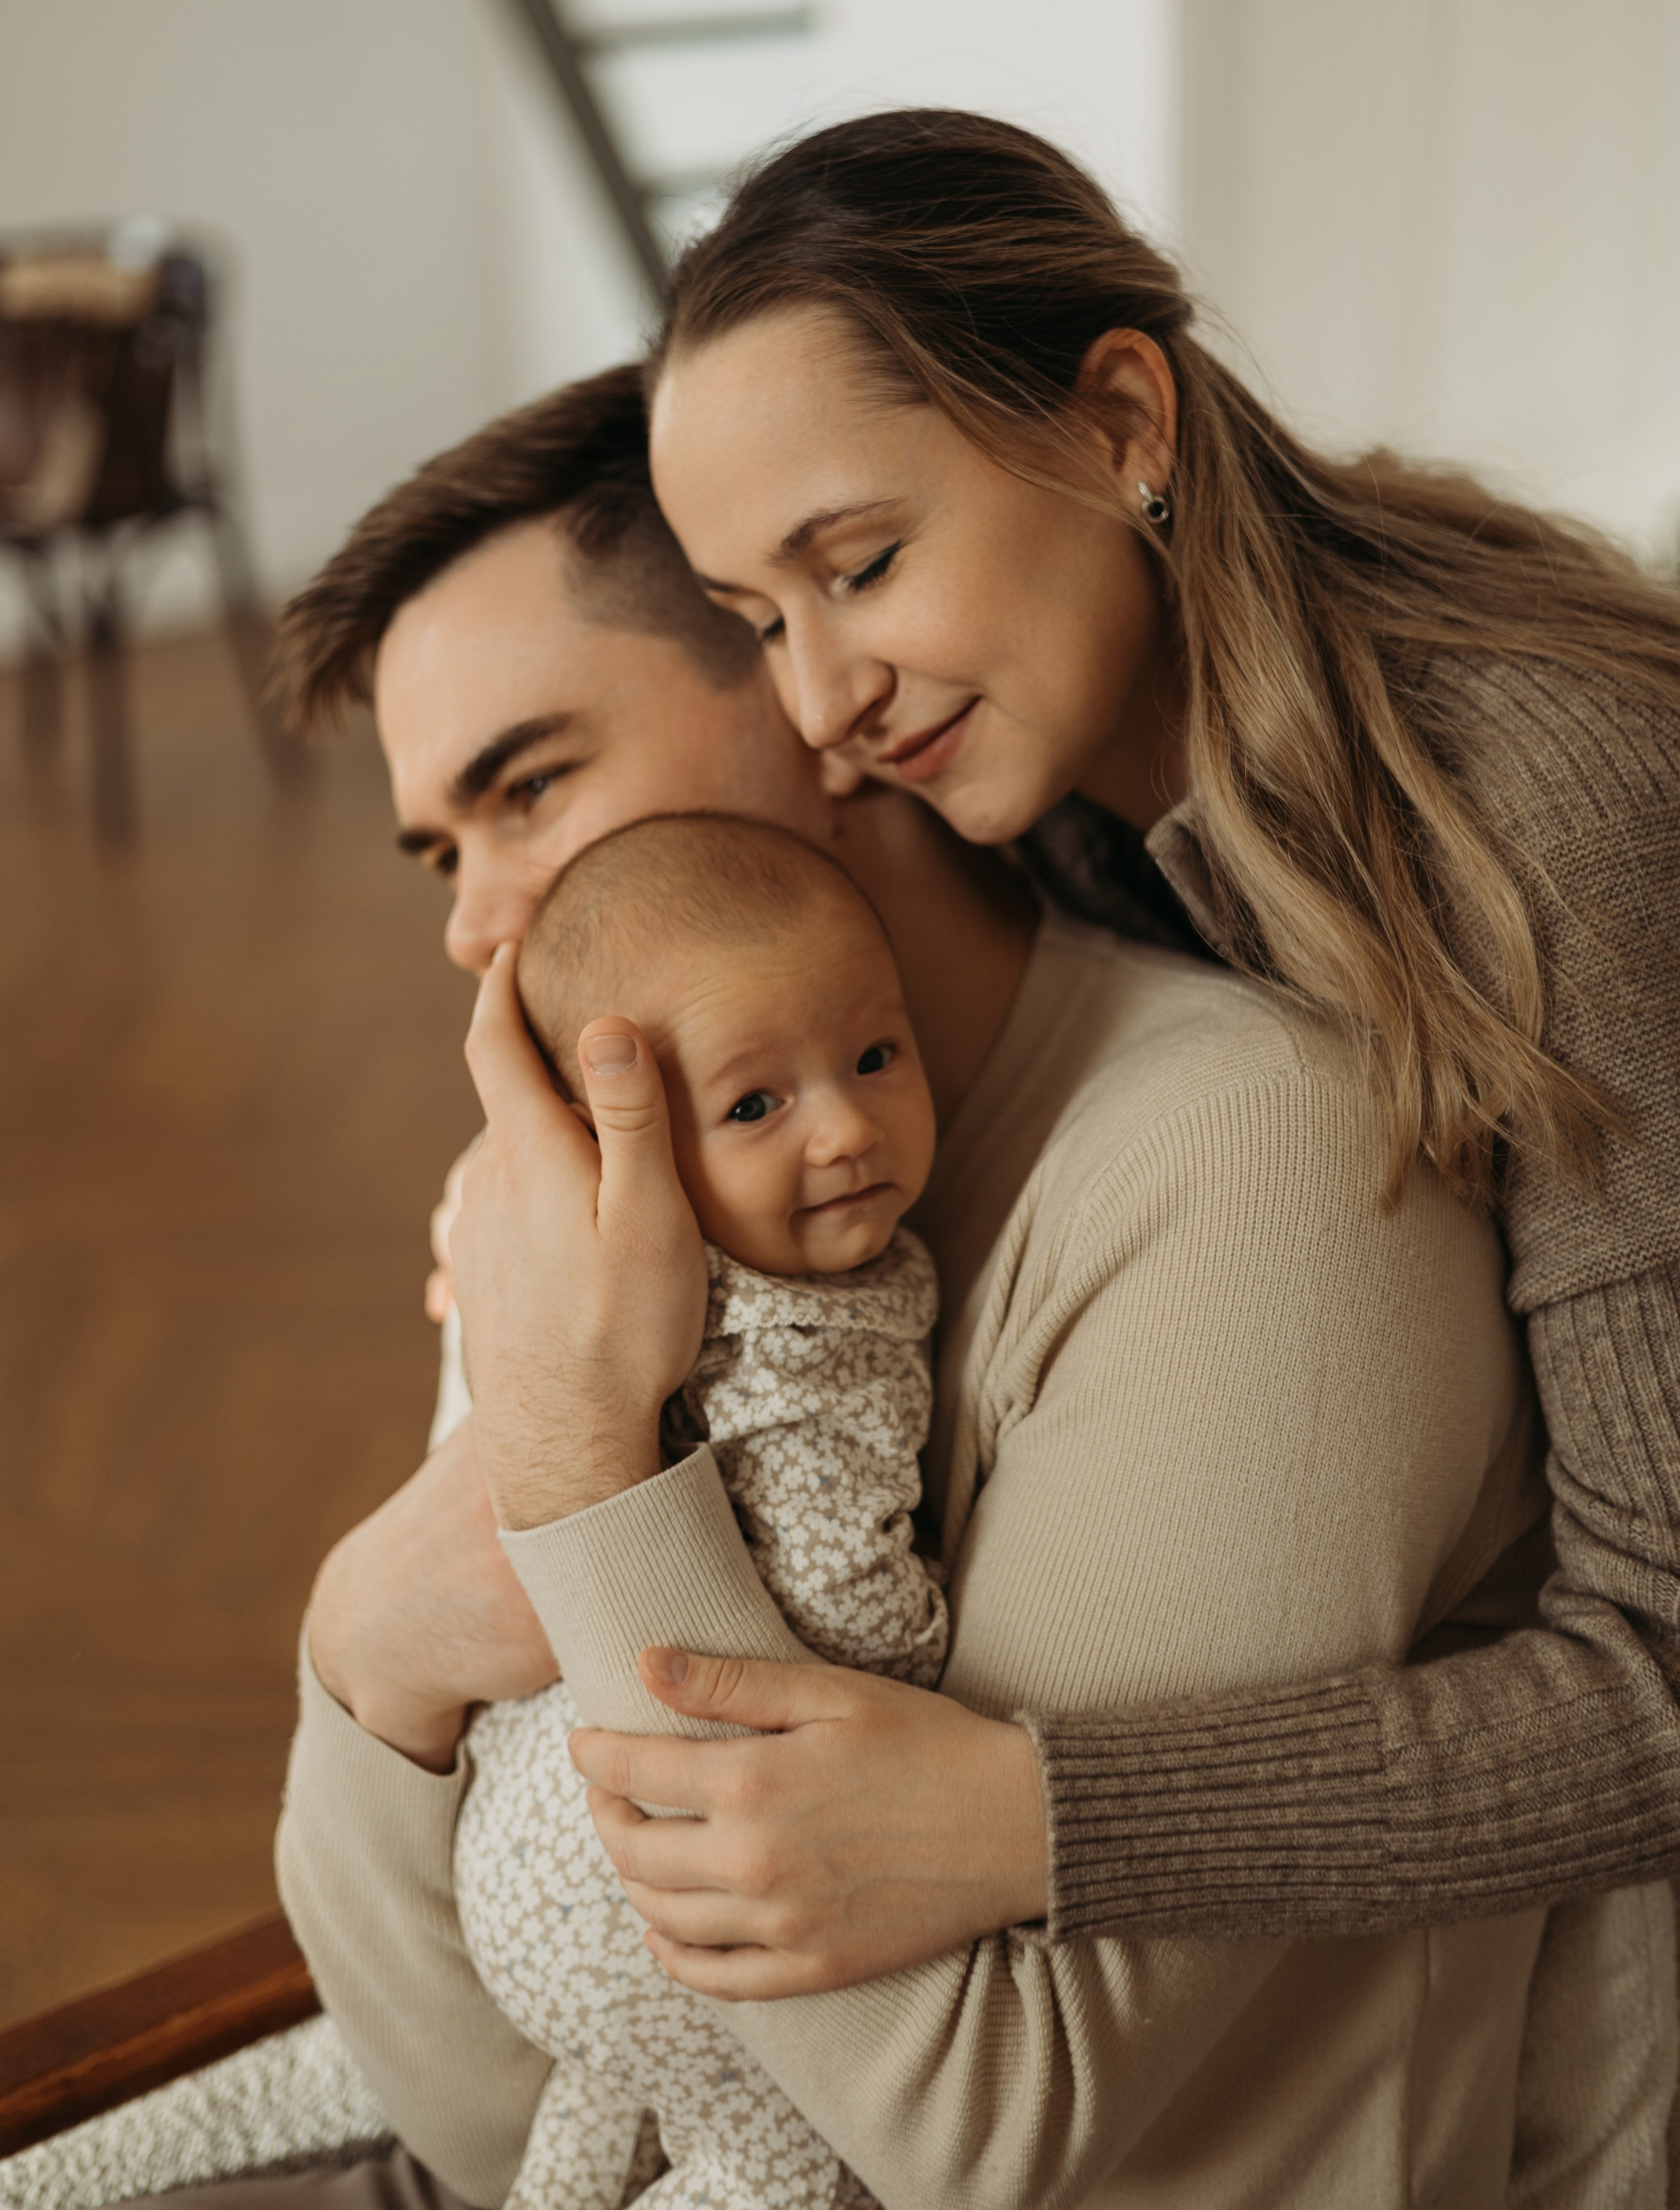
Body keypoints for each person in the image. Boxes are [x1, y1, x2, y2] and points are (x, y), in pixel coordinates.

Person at [268, 362, 1673, 2205]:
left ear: (817, 692)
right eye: (443, 853)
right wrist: (365, 1646)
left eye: (529, 786)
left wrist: (580, 1472)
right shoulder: (598, 1200)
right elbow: (489, 2112)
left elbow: (984, 2123)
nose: (473, 922)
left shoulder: (1252, 1165)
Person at [456, 813, 942, 2210]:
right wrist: (935, 1661)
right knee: (771, 2164)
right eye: (753, 1106)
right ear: (635, 1142)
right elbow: (849, 1609)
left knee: (601, 2116)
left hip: (527, 1839)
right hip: (652, 1893)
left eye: (873, 1056)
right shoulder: (812, 1328)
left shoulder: (579, 1267)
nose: (846, 1128)